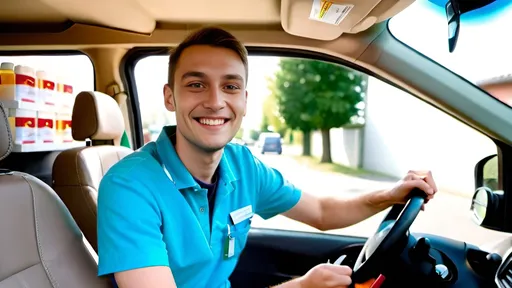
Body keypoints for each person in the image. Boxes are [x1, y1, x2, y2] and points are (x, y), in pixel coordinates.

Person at [96, 26, 438, 288]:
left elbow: (320, 211)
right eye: (196, 85)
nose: (216, 101)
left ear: (244, 99)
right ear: (170, 98)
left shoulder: (243, 166)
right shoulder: (129, 185)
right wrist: (302, 285)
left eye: (230, 87)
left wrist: (390, 194)